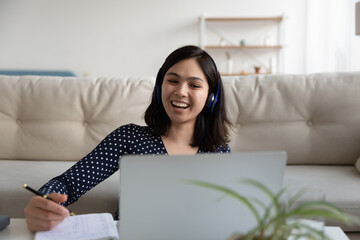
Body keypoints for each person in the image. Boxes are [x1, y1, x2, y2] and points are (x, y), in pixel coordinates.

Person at [24, 45, 232, 232]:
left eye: (194, 85)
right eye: (173, 81)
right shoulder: (129, 137)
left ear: (211, 97)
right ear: (160, 88)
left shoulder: (219, 152)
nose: (180, 92)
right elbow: (68, 183)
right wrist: (46, 200)